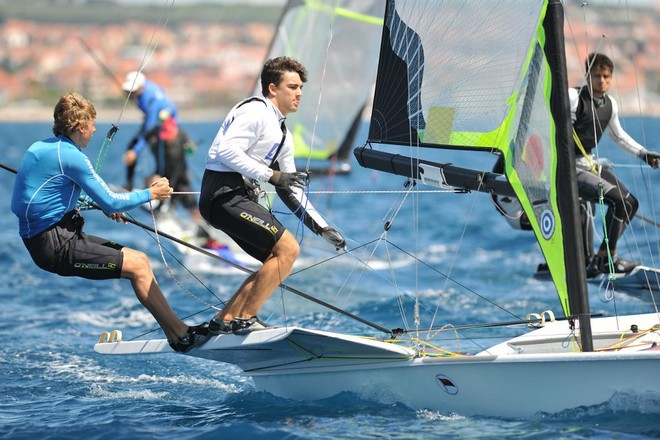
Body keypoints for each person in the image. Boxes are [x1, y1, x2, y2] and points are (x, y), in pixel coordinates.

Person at [11, 92, 208, 353]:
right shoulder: (71, 157)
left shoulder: (39, 148)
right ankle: (181, 335)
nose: (94, 130)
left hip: (54, 236)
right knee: (137, 266)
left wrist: (97, 203)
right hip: (54, 244)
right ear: (80, 127)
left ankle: (177, 332)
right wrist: (151, 194)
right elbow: (114, 202)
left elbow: (52, 192)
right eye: (92, 124)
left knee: (141, 261)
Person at [199, 56, 346, 334]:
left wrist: (321, 227)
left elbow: (289, 188)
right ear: (272, 88)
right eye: (292, 87)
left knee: (276, 260)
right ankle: (246, 319)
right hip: (222, 194)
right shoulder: (255, 112)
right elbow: (225, 152)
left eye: (301, 87)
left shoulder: (283, 134)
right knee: (288, 249)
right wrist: (272, 175)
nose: (299, 93)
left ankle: (224, 321)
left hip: (237, 198)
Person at [572, 53, 659, 277]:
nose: (601, 80)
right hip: (569, 168)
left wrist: (643, 154)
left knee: (630, 203)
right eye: (596, 75)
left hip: (588, 164)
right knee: (618, 201)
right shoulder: (573, 97)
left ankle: (603, 256)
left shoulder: (610, 104)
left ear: (611, 78)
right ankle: (608, 259)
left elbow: (618, 136)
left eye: (606, 76)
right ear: (587, 75)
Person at [121, 71, 205, 233]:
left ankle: (185, 213)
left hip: (171, 140)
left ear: (140, 88)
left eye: (131, 92)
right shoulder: (147, 91)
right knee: (176, 176)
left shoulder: (153, 100)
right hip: (166, 137)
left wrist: (136, 152)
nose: (129, 95)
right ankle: (133, 186)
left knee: (176, 177)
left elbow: (149, 129)